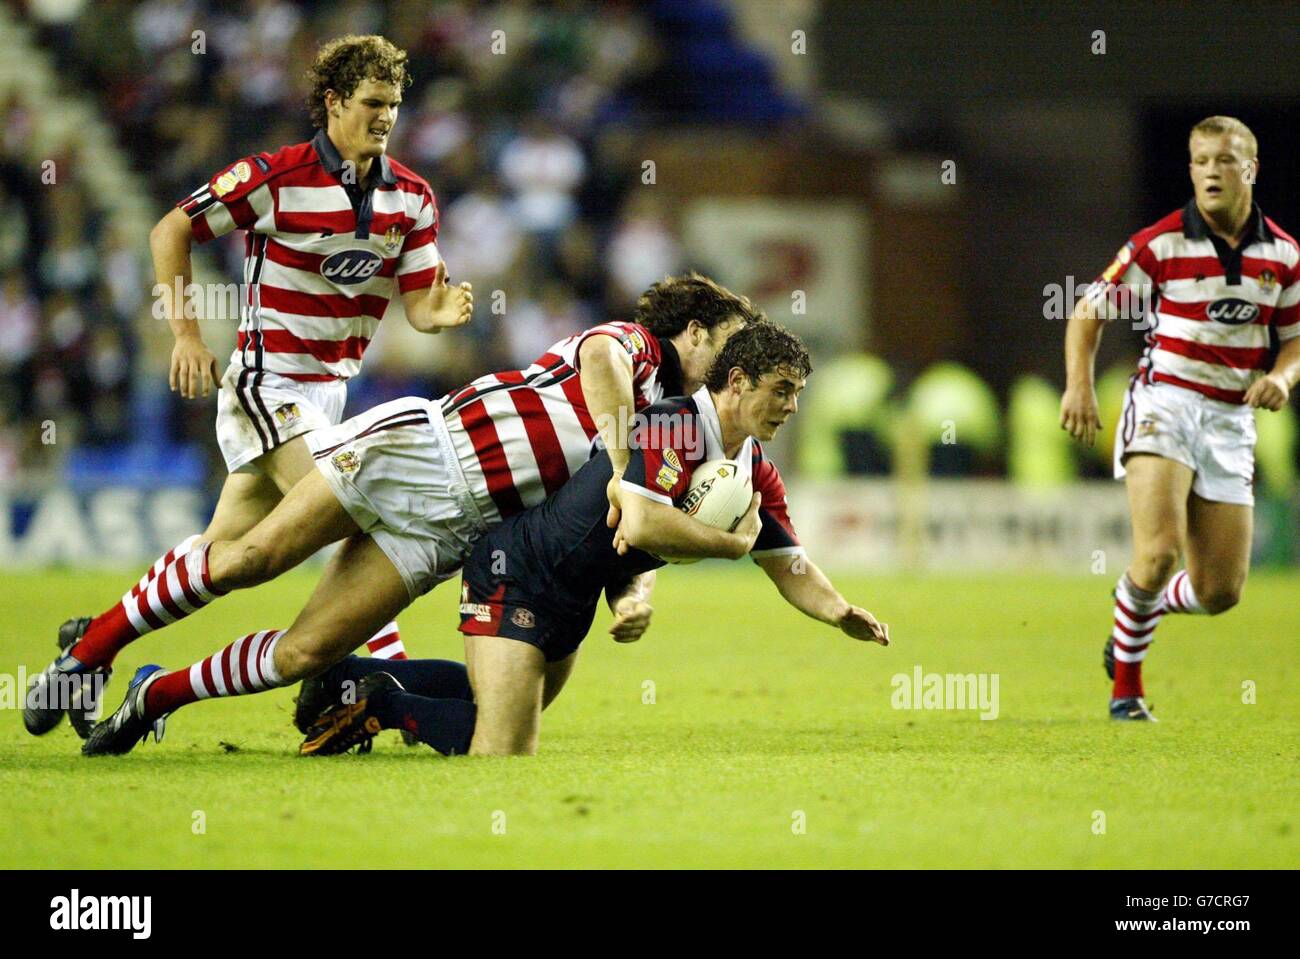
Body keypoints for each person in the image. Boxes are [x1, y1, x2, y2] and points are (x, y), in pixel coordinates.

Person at [73, 277, 759, 755]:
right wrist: (620, 457)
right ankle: (92, 648)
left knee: (304, 653)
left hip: (451, 531)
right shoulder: (636, 349)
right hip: (423, 453)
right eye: (726, 346)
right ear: (692, 330)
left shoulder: (673, 426)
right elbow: (600, 360)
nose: (730, 368)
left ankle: (153, 696)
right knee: (249, 558)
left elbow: (618, 523)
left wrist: (636, 586)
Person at [21, 34, 474, 739]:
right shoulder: (276, 176)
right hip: (268, 384)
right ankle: (361, 681)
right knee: (357, 511)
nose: (386, 118)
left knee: (230, 558)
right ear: (332, 102)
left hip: (329, 396)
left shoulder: (411, 198)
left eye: (394, 105)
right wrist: (186, 334)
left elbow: (419, 302)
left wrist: (438, 313)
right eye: (372, 104)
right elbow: (171, 229)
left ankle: (91, 650)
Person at [296, 323, 891, 757]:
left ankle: (353, 676)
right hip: (517, 573)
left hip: (573, 599)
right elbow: (640, 523)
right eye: (782, 390)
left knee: (496, 710)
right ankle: (376, 705)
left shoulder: (752, 466)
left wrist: (838, 611)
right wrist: (730, 547)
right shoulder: (674, 424)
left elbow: (788, 562)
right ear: (737, 381)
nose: (791, 406)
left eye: (798, 394)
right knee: (501, 750)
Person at [1059, 116, 1300, 721]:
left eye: (1224, 160)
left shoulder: (1285, 255)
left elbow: (1294, 340)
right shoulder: (1160, 243)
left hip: (1229, 420)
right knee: (1160, 550)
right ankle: (1127, 694)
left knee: (1220, 593)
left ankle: (1135, 607)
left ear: (1251, 168)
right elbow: (1089, 310)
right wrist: (1079, 388)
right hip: (1164, 402)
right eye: (1200, 161)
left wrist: (1280, 377)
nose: (1211, 172)